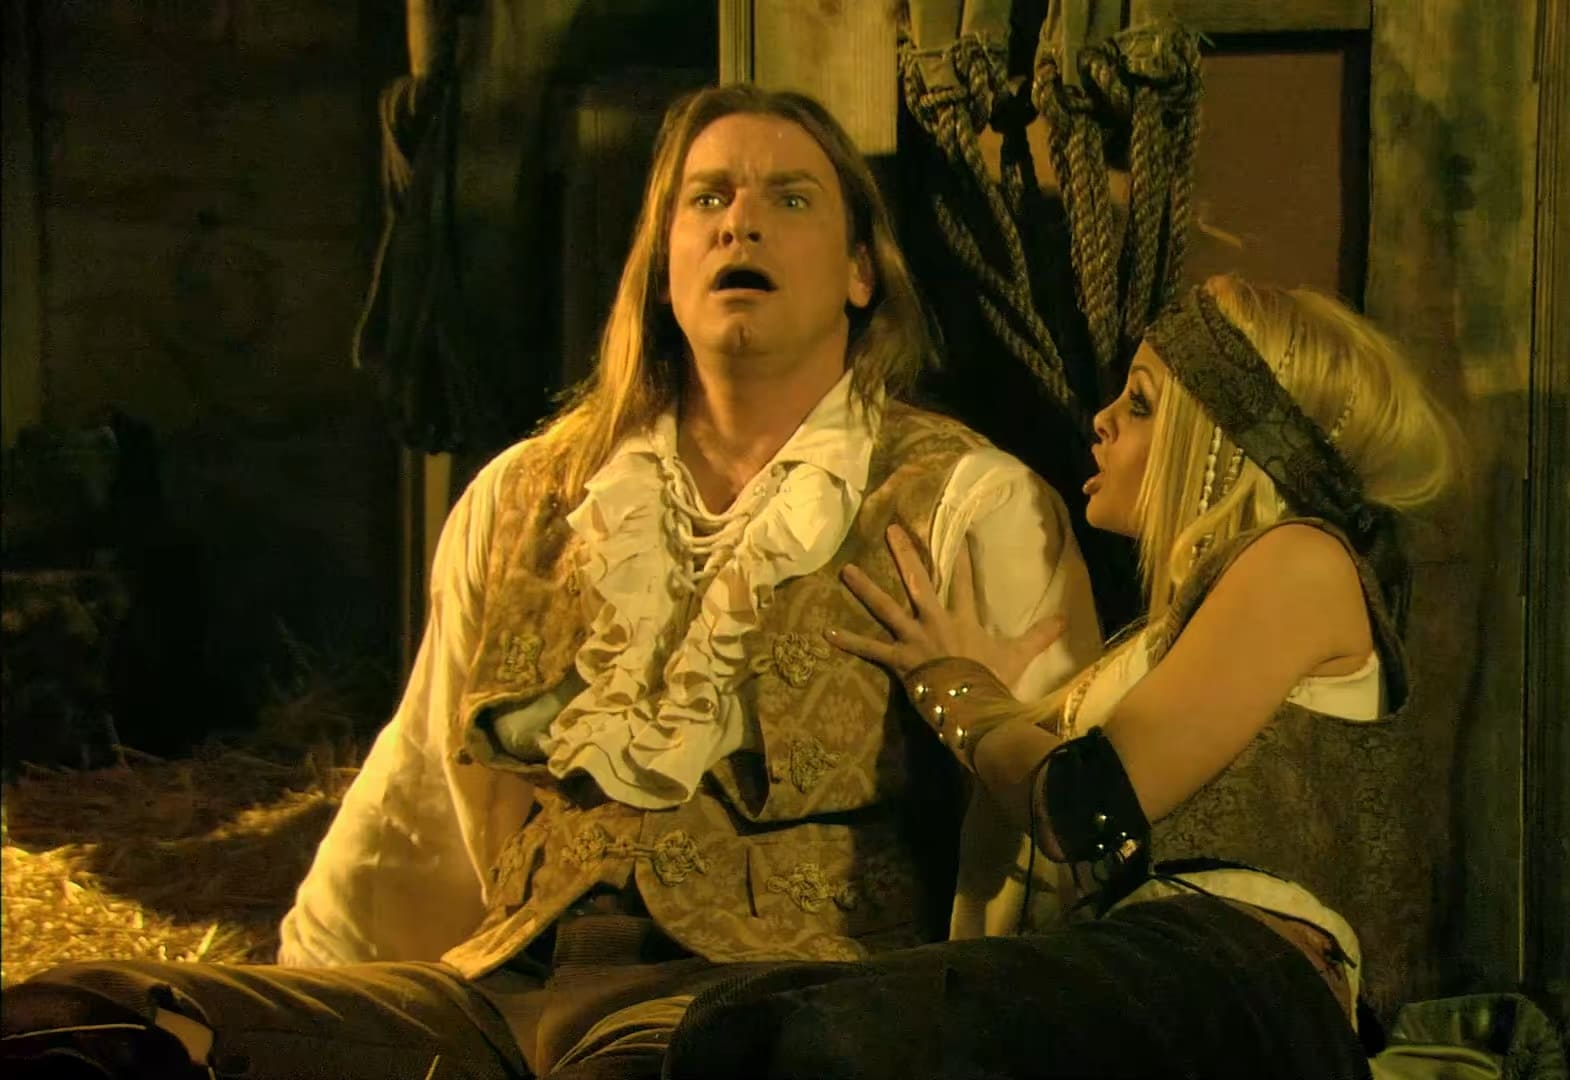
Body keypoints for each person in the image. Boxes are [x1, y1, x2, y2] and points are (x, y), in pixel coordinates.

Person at [0, 84, 1098, 1079]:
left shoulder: (965, 504)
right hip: (505, 992)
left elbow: (1036, 845)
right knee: (81, 1021)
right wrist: (304, 994)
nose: (741, 223)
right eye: (707, 198)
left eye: (792, 199)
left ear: (862, 273)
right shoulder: (529, 497)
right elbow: (426, 786)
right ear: (662, 270)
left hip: (755, 1012)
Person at [661, 274, 1462, 1080]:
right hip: (1140, 964)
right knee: (733, 1028)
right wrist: (1010, 709)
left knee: (812, 1041)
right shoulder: (1152, 649)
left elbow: (1085, 805)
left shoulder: (1303, 559)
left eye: (1142, 403)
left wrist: (956, 689)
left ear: (1224, 439)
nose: (1103, 420)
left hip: (1241, 978)